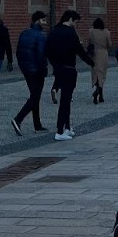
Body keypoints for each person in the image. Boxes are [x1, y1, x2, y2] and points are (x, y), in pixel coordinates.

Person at [45, 8, 92, 141]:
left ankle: (67, 127)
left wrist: (55, 65)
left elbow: (47, 50)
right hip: (69, 68)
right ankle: (60, 130)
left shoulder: (54, 31)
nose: (75, 24)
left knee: (65, 99)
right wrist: (91, 62)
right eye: (75, 22)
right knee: (66, 100)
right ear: (70, 20)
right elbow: (80, 50)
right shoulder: (70, 33)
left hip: (59, 69)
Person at [12, 10, 49, 134]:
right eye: (43, 20)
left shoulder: (24, 33)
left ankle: (37, 124)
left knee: (34, 95)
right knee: (35, 96)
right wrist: (43, 68)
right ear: (38, 21)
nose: (45, 22)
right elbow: (41, 54)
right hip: (37, 70)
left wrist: (23, 66)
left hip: (26, 69)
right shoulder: (41, 35)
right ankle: (18, 119)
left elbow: (19, 52)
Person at [87, 16, 113, 105]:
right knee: (102, 73)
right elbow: (109, 44)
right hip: (103, 53)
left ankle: (97, 90)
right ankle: (100, 93)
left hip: (94, 53)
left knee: (95, 73)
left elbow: (89, 42)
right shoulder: (106, 32)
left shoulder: (91, 31)